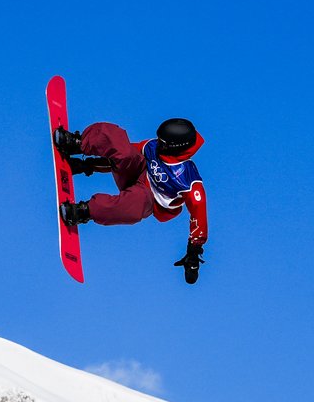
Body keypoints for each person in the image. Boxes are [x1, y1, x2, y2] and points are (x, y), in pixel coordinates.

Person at [53, 118, 208, 284]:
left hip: (149, 198)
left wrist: (193, 252)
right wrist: (88, 165)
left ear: (175, 147)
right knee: (118, 139)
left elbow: (199, 215)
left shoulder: (188, 179)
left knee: (135, 205)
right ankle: (77, 143)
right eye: (159, 139)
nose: (158, 144)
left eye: (163, 143)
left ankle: (84, 211)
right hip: (137, 173)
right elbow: (124, 156)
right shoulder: (153, 146)